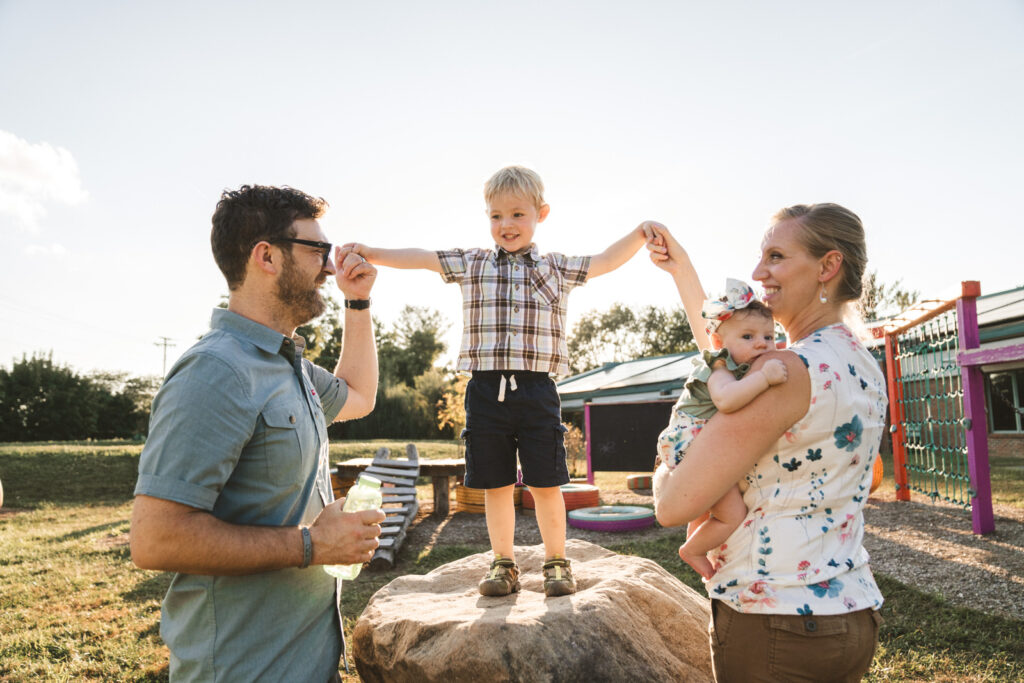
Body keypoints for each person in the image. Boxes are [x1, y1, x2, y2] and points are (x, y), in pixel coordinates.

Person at [343, 165, 657, 598]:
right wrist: (372, 251)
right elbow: (421, 257)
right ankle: (504, 564)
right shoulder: (472, 262)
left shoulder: (556, 268)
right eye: (496, 216)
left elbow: (604, 261)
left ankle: (556, 563)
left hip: (537, 390)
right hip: (486, 392)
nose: (506, 225)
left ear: (540, 214)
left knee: (546, 484)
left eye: (517, 215)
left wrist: (640, 234)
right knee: (497, 484)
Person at [129, 185, 386, 682]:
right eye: (317, 250)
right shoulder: (216, 372)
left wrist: (359, 304)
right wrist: (312, 544)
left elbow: (359, 394)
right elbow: (154, 539)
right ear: (266, 256)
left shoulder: (287, 366)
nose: (330, 267)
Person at [648, 204, 887, 683]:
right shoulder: (862, 364)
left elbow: (673, 506)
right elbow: (726, 349)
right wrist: (683, 271)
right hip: (853, 612)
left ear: (827, 266)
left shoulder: (784, 371)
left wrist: (664, 460)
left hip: (773, 621)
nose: (759, 273)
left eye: (776, 256)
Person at [653, 278, 788, 580]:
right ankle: (693, 550)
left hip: (697, 442)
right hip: (690, 443)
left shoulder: (740, 366)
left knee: (703, 508)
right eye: (748, 336)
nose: (761, 343)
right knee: (732, 514)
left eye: (769, 336)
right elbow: (726, 400)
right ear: (719, 343)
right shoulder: (719, 366)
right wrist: (765, 378)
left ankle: (697, 539)